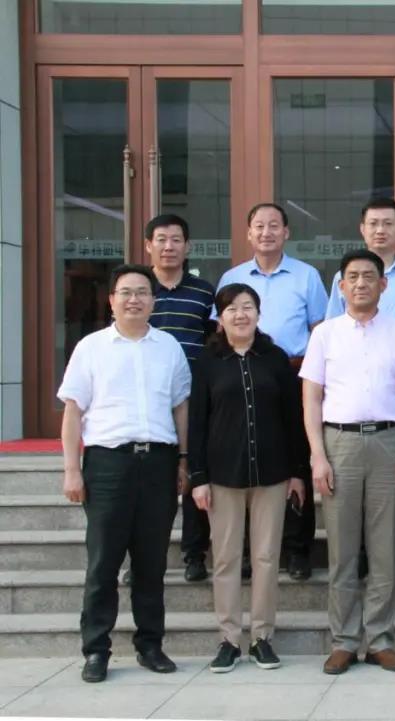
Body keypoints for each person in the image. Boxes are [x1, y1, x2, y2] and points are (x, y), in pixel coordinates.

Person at [57, 264, 191, 683]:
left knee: (151, 563)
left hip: (158, 463)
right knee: (103, 562)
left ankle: (150, 645)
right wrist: (71, 469)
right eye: (126, 292)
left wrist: (183, 460)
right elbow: (73, 411)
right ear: (111, 300)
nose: (134, 299)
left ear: (153, 300)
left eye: (142, 292)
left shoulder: (168, 347)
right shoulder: (91, 348)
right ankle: (96, 650)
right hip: (108, 465)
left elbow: (181, 407)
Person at [300, 249, 395, 676]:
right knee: (343, 549)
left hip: (389, 441)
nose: (361, 283)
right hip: (340, 444)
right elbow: (311, 399)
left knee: (384, 548)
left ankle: (381, 640)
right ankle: (344, 641)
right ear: (341, 286)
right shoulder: (325, 334)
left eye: (369, 276)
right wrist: (318, 455)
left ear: (383, 284)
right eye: (352, 277)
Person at [188, 284, 307, 673]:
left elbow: (293, 420)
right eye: (231, 309)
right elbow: (197, 423)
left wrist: (298, 472)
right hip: (222, 476)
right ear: (220, 318)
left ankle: (261, 637)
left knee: (266, 557)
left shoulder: (275, 358)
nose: (240, 315)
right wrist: (198, 477)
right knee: (224, 558)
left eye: (247, 307)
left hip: (273, 474)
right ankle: (228, 638)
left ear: (258, 312)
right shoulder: (207, 362)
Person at [216, 203, 328, 581]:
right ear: (248, 233)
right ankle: (248, 551)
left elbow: (319, 330)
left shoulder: (306, 275)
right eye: (259, 226)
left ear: (286, 232)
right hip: (243, 370)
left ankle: (297, 550)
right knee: (248, 456)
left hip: (294, 373)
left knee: (296, 456)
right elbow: (221, 329)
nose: (266, 232)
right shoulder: (232, 277)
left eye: (274, 226)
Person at [325, 197, 395, 580]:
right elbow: (332, 331)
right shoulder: (343, 280)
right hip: (351, 399)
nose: (380, 229)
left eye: (388, 223)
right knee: (350, 502)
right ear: (362, 228)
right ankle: (358, 561)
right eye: (373, 223)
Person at [144, 213, 216, 584]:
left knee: (193, 475)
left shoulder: (204, 292)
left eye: (176, 240)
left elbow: (212, 340)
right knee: (152, 484)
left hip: (193, 397)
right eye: (161, 239)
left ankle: (194, 554)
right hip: (149, 399)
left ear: (187, 246)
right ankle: (144, 559)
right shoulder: (138, 288)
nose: (168, 246)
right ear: (148, 246)